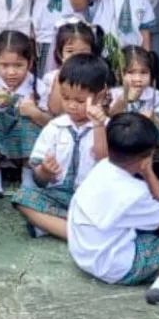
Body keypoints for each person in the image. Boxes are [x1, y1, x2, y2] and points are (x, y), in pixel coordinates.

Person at [66, 112, 159, 311]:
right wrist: (148, 173)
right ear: (145, 158)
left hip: (85, 256)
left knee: (156, 235)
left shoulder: (101, 167)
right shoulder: (135, 192)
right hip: (115, 267)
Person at [12, 56, 110, 242]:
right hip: (59, 197)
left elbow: (104, 158)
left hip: (93, 200)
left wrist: (99, 126)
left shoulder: (108, 127)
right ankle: (77, 234)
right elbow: (39, 176)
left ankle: (54, 227)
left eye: (80, 101)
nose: (71, 105)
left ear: (100, 95)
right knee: (22, 197)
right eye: (65, 98)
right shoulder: (55, 127)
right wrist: (45, 171)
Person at [0, 30, 49, 196]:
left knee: (30, 124)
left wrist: (34, 112)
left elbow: (48, 123)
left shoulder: (37, 85)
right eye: (4, 65)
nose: (11, 72)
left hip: (22, 137)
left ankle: (27, 173)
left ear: (29, 63)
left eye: (18, 65)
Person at [108, 47, 159, 130]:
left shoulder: (154, 95)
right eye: (130, 72)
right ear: (119, 74)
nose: (138, 79)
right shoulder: (113, 94)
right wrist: (123, 100)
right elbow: (108, 120)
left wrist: (153, 117)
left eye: (144, 72)